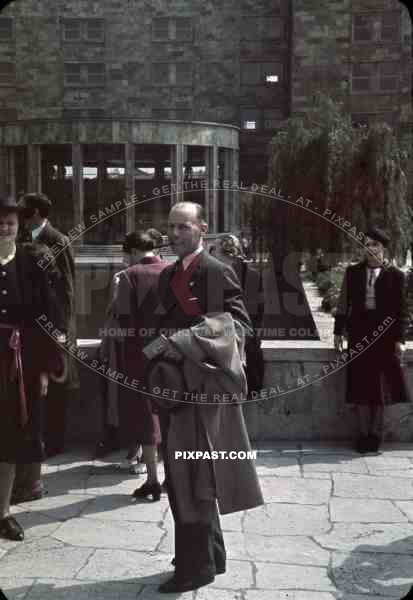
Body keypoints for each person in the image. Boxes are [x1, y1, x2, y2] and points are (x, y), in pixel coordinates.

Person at [147, 202, 263, 593]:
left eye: (183, 227)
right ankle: (209, 557)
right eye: (171, 227)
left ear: (202, 228)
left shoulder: (216, 270)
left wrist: (185, 342)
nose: (174, 233)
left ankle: (194, 569)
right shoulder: (167, 276)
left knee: (192, 478)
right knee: (182, 478)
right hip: (174, 391)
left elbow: (240, 325)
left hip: (204, 391)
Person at [0, 195, 64, 541]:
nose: (3, 228)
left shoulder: (32, 262)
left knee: (9, 436)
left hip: (17, 364)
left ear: (18, 224)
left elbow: (47, 317)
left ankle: (4, 512)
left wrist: (43, 369)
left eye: (9, 222)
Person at [334, 226, 410, 454]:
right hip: (358, 335)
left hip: (384, 339)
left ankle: (375, 436)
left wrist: (400, 338)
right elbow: (343, 302)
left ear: (384, 249)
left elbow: (402, 310)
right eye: (367, 244)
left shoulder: (396, 275)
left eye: (375, 244)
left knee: (380, 390)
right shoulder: (353, 272)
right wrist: (339, 331)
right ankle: (362, 434)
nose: (370, 248)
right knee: (360, 387)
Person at [18, 192, 77, 462]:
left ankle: (55, 441)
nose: (20, 219)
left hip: (53, 324)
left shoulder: (58, 241)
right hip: (29, 324)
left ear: (38, 214)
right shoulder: (21, 238)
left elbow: (67, 288)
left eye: (25, 214)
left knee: (56, 385)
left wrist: (62, 329)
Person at [113, 229, 169, 494]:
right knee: (171, 413)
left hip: (140, 355)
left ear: (134, 252)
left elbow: (124, 321)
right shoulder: (174, 271)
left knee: (146, 416)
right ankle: (173, 477)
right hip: (173, 353)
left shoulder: (129, 276)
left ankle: (152, 480)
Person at [214, 233, 264, 395]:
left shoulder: (217, 273)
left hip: (224, 348)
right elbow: (259, 312)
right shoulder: (254, 275)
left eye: (213, 250)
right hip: (249, 348)